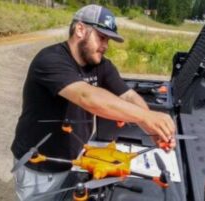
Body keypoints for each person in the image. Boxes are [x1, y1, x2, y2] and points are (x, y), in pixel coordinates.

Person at [11, 4, 176, 201]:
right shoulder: (50, 60)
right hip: (40, 165)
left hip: (76, 158)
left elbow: (128, 96)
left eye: (108, 40)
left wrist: (150, 128)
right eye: (101, 37)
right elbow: (87, 97)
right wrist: (147, 117)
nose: (105, 45)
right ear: (80, 29)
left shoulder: (100, 64)